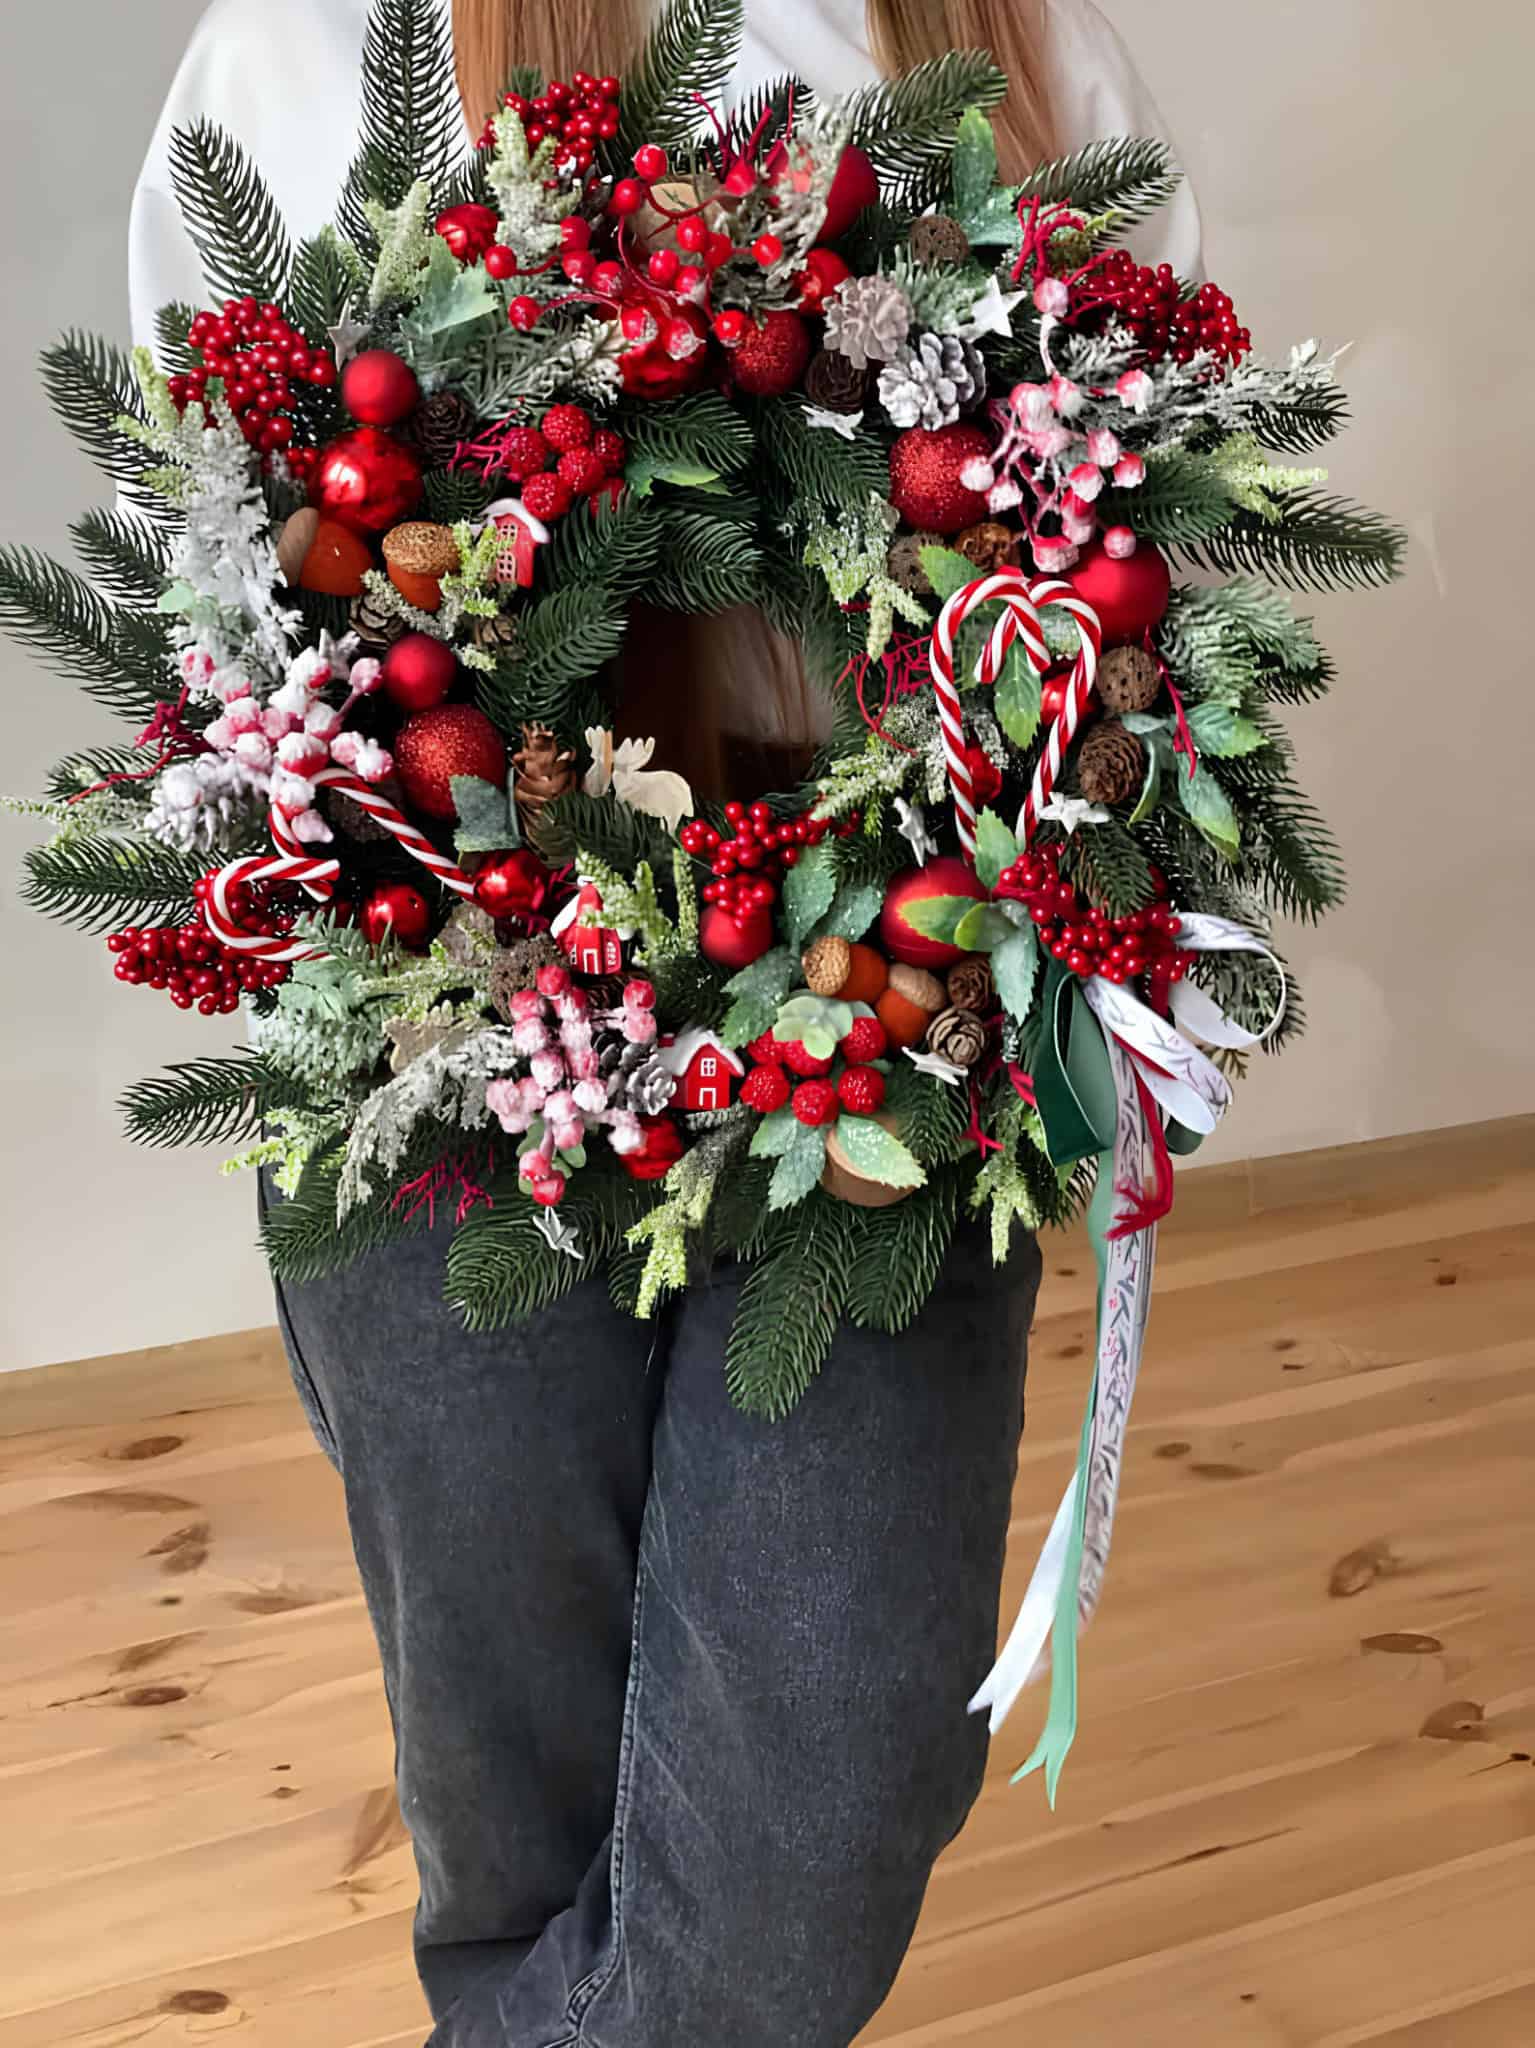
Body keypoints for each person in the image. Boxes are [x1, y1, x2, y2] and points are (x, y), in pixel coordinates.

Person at [130, 7, 1201, 2043]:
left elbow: (1144, 522)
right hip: (454, 979)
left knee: (804, 1827)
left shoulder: (1005, 41)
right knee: (526, 1805)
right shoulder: (324, 44)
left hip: (885, 997)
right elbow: (234, 559)